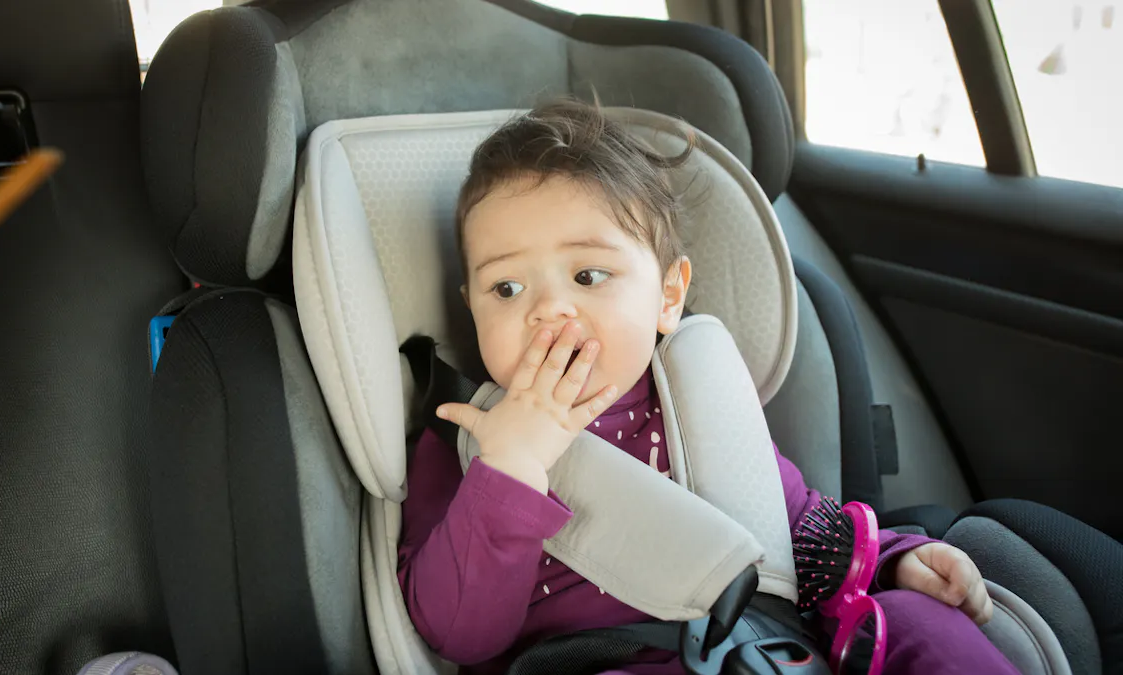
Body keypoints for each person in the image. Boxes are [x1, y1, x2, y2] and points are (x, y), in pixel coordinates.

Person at [397, 98, 1018, 675]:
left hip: (760, 642)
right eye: (506, 289)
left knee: (920, 622)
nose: (549, 310)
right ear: (471, 308)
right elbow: (457, 633)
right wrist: (511, 470)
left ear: (668, 297)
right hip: (609, 658)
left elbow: (794, 526)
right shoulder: (468, 442)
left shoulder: (694, 400)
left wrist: (891, 562)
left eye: (589, 274)